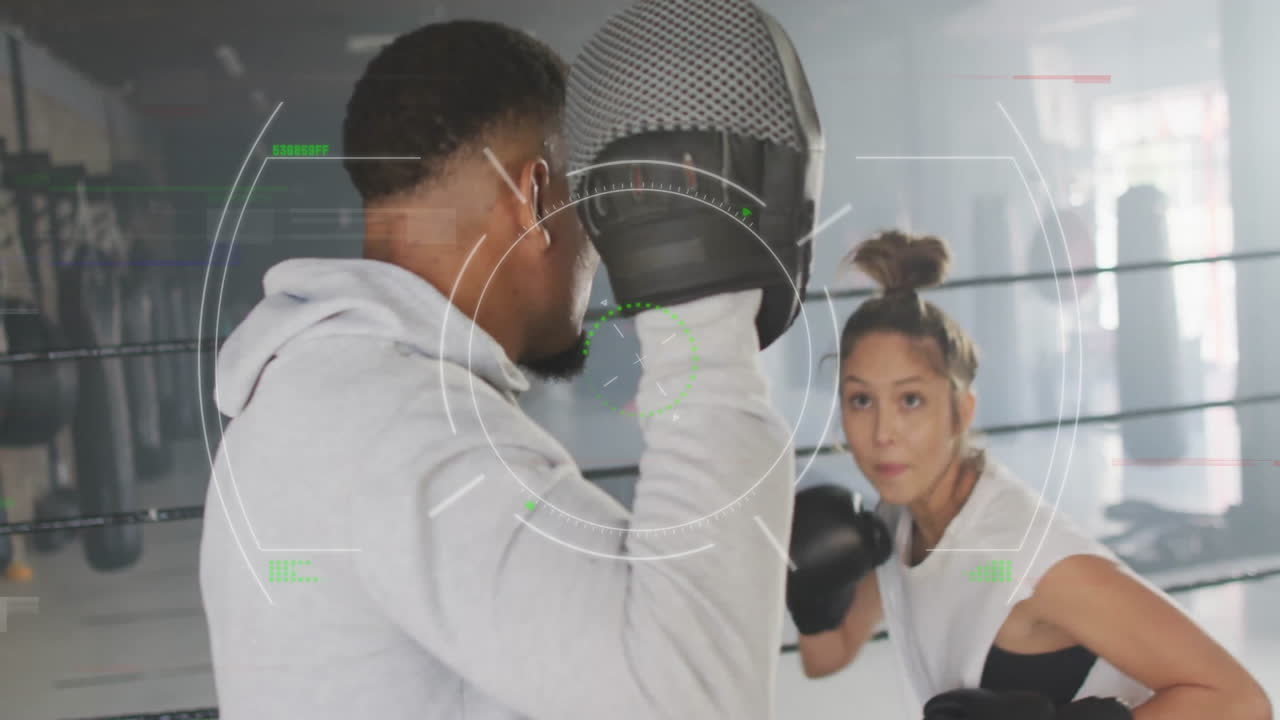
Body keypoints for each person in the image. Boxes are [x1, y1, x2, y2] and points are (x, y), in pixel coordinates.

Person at [200, 16, 806, 720]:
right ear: (536, 196)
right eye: (592, 203)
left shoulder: (328, 392)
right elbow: (695, 699)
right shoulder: (405, 433)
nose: (602, 248)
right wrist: (700, 309)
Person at [785, 230, 1272, 719]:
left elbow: (1241, 703)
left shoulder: (1027, 559)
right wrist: (811, 594)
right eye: (861, 400)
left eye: (911, 400)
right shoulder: (900, 519)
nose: (882, 432)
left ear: (961, 410)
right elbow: (828, 655)